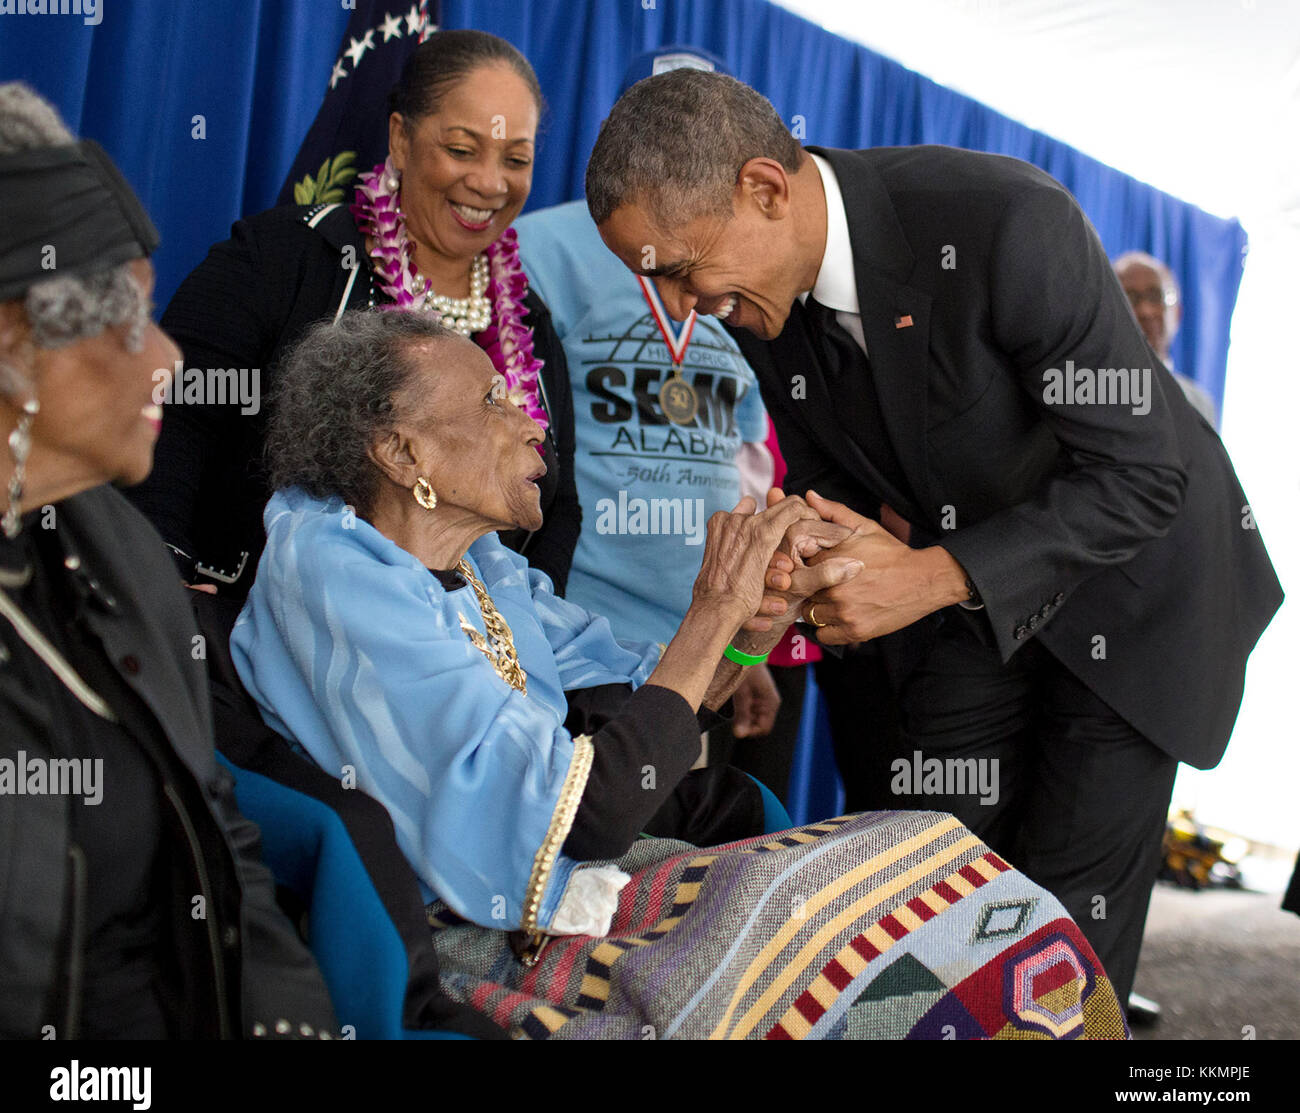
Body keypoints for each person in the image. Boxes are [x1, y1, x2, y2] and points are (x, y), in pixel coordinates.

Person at [230, 308, 1130, 1040]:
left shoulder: (484, 564)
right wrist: (712, 611)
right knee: (873, 947)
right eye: (495, 402)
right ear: (402, 454)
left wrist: (746, 630)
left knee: (940, 864)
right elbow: (583, 811)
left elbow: (639, 718)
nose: (531, 419)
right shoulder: (337, 569)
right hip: (479, 927)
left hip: (581, 870)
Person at [584, 69, 1283, 1009]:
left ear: (763, 188)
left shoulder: (1005, 222)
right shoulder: (750, 290)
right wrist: (811, 544)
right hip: (976, 601)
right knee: (933, 873)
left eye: (677, 268)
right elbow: (849, 465)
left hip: (1136, 584)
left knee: (1060, 934)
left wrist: (933, 576)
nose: (676, 302)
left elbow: (1143, 475)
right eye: (651, 276)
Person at [0, 82, 338, 1039]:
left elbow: (222, 841)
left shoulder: (127, 560)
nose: (170, 361)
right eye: (132, 319)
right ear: (15, 341)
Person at [124, 29, 580, 599]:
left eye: (516, 159)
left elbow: (560, 508)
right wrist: (163, 582)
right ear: (401, 139)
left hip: (456, 666)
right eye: (462, 150)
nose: (490, 183)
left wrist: (523, 632)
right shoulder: (286, 256)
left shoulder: (531, 324)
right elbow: (176, 414)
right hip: (250, 638)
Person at [512, 45, 789, 795]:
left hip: (701, 639)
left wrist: (744, 650)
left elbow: (751, 467)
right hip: (577, 637)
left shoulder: (753, 262)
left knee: (676, 880)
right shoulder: (543, 249)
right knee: (586, 858)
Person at [1114, 250, 1218, 426]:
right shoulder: (1088, 392)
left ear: (1177, 313)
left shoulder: (1198, 404)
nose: (1145, 310)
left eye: (1156, 296)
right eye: (1130, 298)